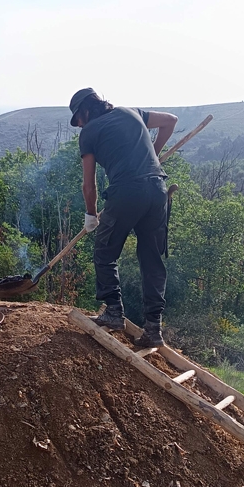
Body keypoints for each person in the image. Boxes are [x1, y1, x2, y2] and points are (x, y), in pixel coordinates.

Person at [69, 87, 178, 347]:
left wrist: (90, 214)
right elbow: (170, 121)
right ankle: (153, 329)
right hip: (157, 190)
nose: (79, 124)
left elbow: (89, 184)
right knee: (152, 260)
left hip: (127, 191)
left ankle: (114, 312)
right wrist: (154, 153)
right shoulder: (133, 112)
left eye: (78, 119)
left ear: (86, 110)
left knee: (105, 253)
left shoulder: (89, 133)